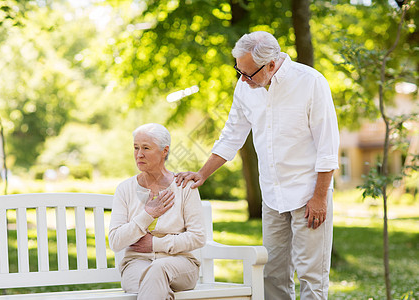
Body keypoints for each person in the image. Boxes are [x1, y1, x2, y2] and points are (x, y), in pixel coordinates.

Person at [176, 31, 339, 299]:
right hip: (272, 196)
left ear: (272, 65)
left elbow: (327, 146)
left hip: (309, 194)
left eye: (248, 73)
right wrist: (202, 174)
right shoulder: (245, 86)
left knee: (311, 274)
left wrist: (320, 197)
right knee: (272, 273)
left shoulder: (311, 82)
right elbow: (232, 135)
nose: (242, 79)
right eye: (238, 71)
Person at [109, 123, 206, 300]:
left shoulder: (184, 186)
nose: (139, 154)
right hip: (136, 264)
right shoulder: (124, 189)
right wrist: (148, 214)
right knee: (154, 283)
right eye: (136, 148)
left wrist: (155, 244)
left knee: (157, 270)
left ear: (164, 151)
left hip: (181, 265)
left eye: (146, 148)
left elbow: (197, 236)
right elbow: (116, 241)